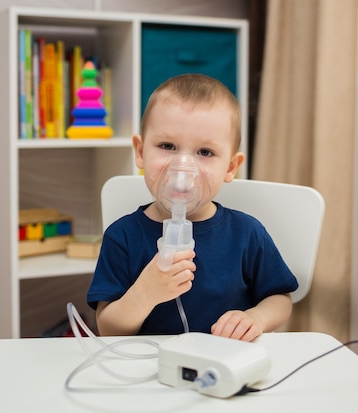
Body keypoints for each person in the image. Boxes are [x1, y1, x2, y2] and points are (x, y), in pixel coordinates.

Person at [87, 74, 298, 342]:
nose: (183, 168)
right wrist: (145, 294)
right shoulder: (123, 236)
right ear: (140, 152)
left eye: (205, 152)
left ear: (231, 167)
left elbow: (280, 298)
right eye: (167, 146)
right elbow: (108, 329)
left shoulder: (246, 233)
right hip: (149, 369)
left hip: (225, 363)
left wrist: (257, 318)